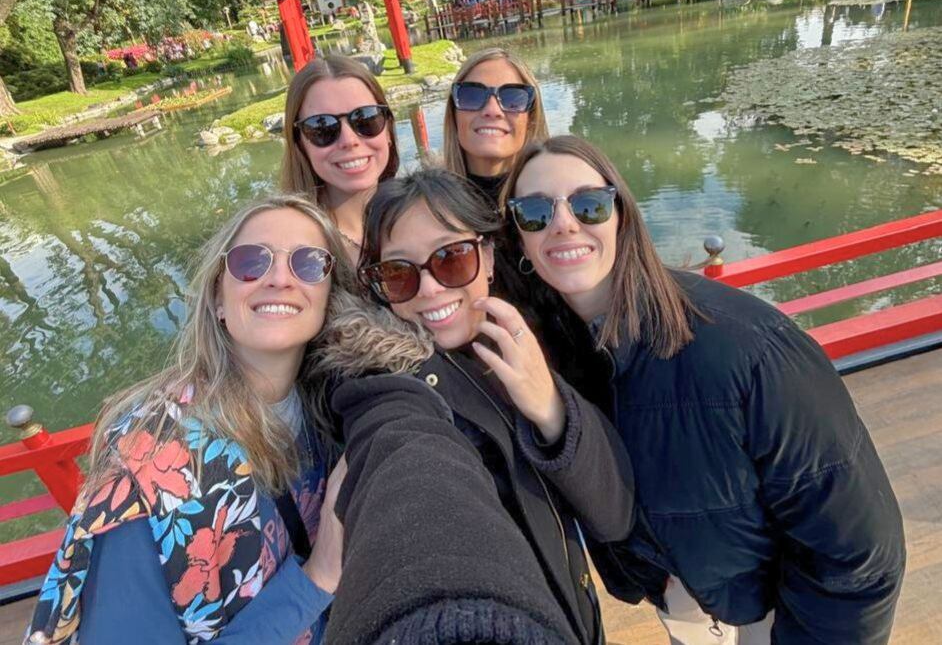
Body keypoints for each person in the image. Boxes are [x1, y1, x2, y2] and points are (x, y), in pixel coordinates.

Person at [503, 135, 906, 645]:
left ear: (621, 214)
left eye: (588, 203)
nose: (564, 222)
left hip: (776, 617)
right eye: (535, 212)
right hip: (686, 603)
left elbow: (858, 554)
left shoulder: (749, 350)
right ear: (518, 238)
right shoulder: (557, 354)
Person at [326, 168, 636, 644]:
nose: (429, 289)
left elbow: (614, 513)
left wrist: (551, 407)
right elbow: (407, 470)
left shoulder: (520, 345)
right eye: (398, 272)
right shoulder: (384, 384)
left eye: (451, 258)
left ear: (488, 257)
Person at [26, 195, 352, 644]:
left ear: (330, 295)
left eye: (309, 263)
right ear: (218, 298)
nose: (279, 278)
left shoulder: (331, 407)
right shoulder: (149, 474)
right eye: (251, 261)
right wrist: (320, 575)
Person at [281, 55, 399, 262]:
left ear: (388, 129)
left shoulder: (424, 214)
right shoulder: (294, 252)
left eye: (366, 119)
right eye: (322, 127)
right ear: (300, 144)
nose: (349, 140)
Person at [443, 47, 550, 205]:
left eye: (513, 98)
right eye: (472, 95)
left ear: (531, 118)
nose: (492, 110)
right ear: (454, 113)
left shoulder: (563, 203)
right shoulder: (423, 209)